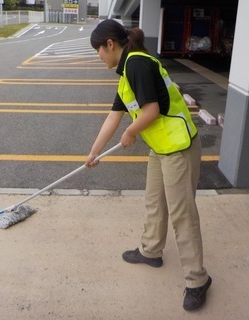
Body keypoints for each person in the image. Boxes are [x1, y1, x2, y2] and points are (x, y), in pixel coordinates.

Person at [85, 19, 212, 311]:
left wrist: (131, 133)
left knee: (182, 215)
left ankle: (197, 279)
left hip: (179, 148)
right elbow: (113, 117)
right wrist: (94, 154)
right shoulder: (125, 73)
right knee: (154, 202)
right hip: (161, 148)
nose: (99, 57)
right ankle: (151, 250)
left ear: (110, 45)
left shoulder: (137, 65)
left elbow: (152, 110)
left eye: (98, 51)